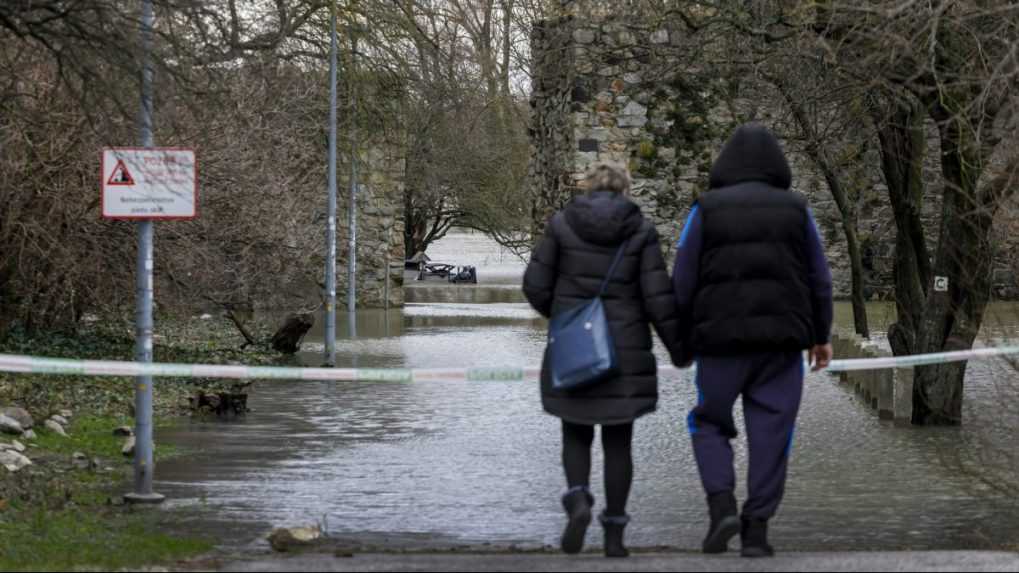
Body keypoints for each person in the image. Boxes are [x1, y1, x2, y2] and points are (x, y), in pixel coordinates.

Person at [671, 123, 834, 558]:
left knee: (708, 423)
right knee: (772, 433)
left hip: (719, 344)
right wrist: (821, 337)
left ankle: (721, 505)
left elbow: (682, 278)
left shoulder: (704, 209)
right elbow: (820, 278)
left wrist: (680, 342)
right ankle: (756, 530)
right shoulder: (797, 210)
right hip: (781, 347)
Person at [523, 162, 684, 558]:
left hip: (574, 350)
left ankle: (578, 500)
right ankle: (614, 536)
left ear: (589, 187)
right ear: (625, 190)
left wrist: (564, 318)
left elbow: (534, 285)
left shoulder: (561, 225)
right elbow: (657, 297)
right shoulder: (641, 230)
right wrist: (680, 349)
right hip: (625, 351)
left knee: (575, 432)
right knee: (618, 442)